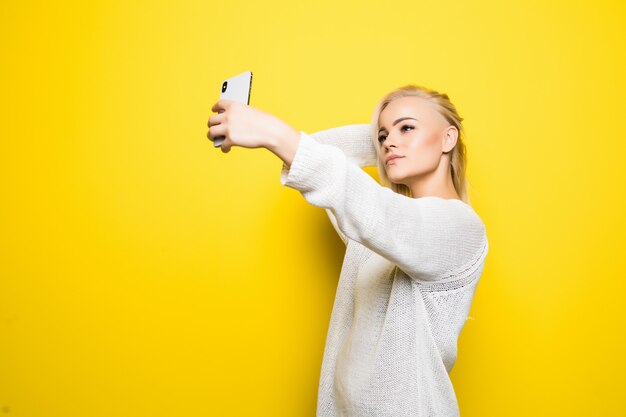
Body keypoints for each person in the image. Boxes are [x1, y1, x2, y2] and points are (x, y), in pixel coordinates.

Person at [207, 84, 489, 417]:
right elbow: (324, 153)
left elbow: (377, 210)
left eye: (407, 127)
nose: (389, 142)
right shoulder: (374, 240)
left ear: (448, 138)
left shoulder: (460, 229)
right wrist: (386, 138)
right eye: (382, 136)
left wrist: (271, 132)